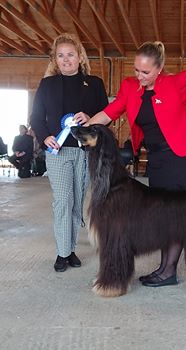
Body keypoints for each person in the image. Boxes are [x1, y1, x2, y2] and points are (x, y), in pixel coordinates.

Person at [79, 41, 186, 287]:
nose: (140, 76)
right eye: (136, 70)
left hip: (178, 158)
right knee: (161, 217)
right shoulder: (130, 88)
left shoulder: (180, 83)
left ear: (159, 68)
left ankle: (168, 271)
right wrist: (87, 127)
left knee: (179, 215)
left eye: (145, 72)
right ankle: (164, 269)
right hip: (154, 160)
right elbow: (110, 113)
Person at [30, 33, 108, 272]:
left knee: (76, 203)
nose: (66, 60)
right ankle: (62, 253)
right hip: (58, 152)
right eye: (60, 56)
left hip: (85, 153)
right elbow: (36, 118)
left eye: (70, 55)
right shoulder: (47, 84)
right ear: (55, 59)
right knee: (63, 201)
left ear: (79, 56)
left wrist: (90, 118)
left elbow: (106, 115)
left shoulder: (94, 84)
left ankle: (71, 248)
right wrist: (45, 137)